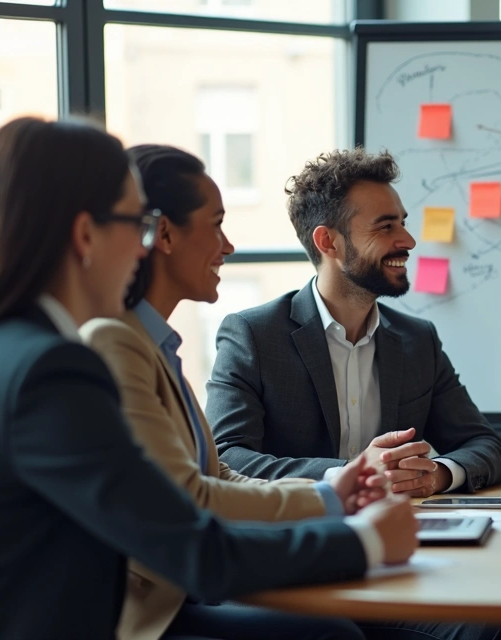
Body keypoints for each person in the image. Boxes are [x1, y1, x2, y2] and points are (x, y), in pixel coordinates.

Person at [0, 117, 417, 640]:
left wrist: (333, 501)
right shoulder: (51, 372)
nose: (142, 250)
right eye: (135, 226)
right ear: (86, 234)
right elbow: (193, 548)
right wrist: (365, 543)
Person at [80, 145, 397, 640]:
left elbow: (217, 472)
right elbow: (193, 496)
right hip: (147, 617)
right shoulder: (117, 341)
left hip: (185, 594)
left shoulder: (154, 344)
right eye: (216, 224)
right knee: (331, 635)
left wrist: (329, 492)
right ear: (164, 233)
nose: (227, 246)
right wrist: (336, 512)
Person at [206, 148, 501, 499]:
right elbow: (224, 457)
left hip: (403, 536)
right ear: (328, 242)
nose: (408, 241)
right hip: (297, 535)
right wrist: (348, 475)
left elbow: (486, 446)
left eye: (403, 223)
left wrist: (435, 475)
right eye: (385, 227)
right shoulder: (253, 336)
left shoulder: (418, 341)